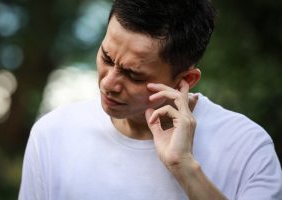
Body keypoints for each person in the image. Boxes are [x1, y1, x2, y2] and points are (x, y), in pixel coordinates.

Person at [19, 0, 282, 199]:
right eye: (106, 58)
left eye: (134, 75)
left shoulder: (246, 148)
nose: (108, 83)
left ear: (186, 81)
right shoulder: (53, 134)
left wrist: (185, 168)